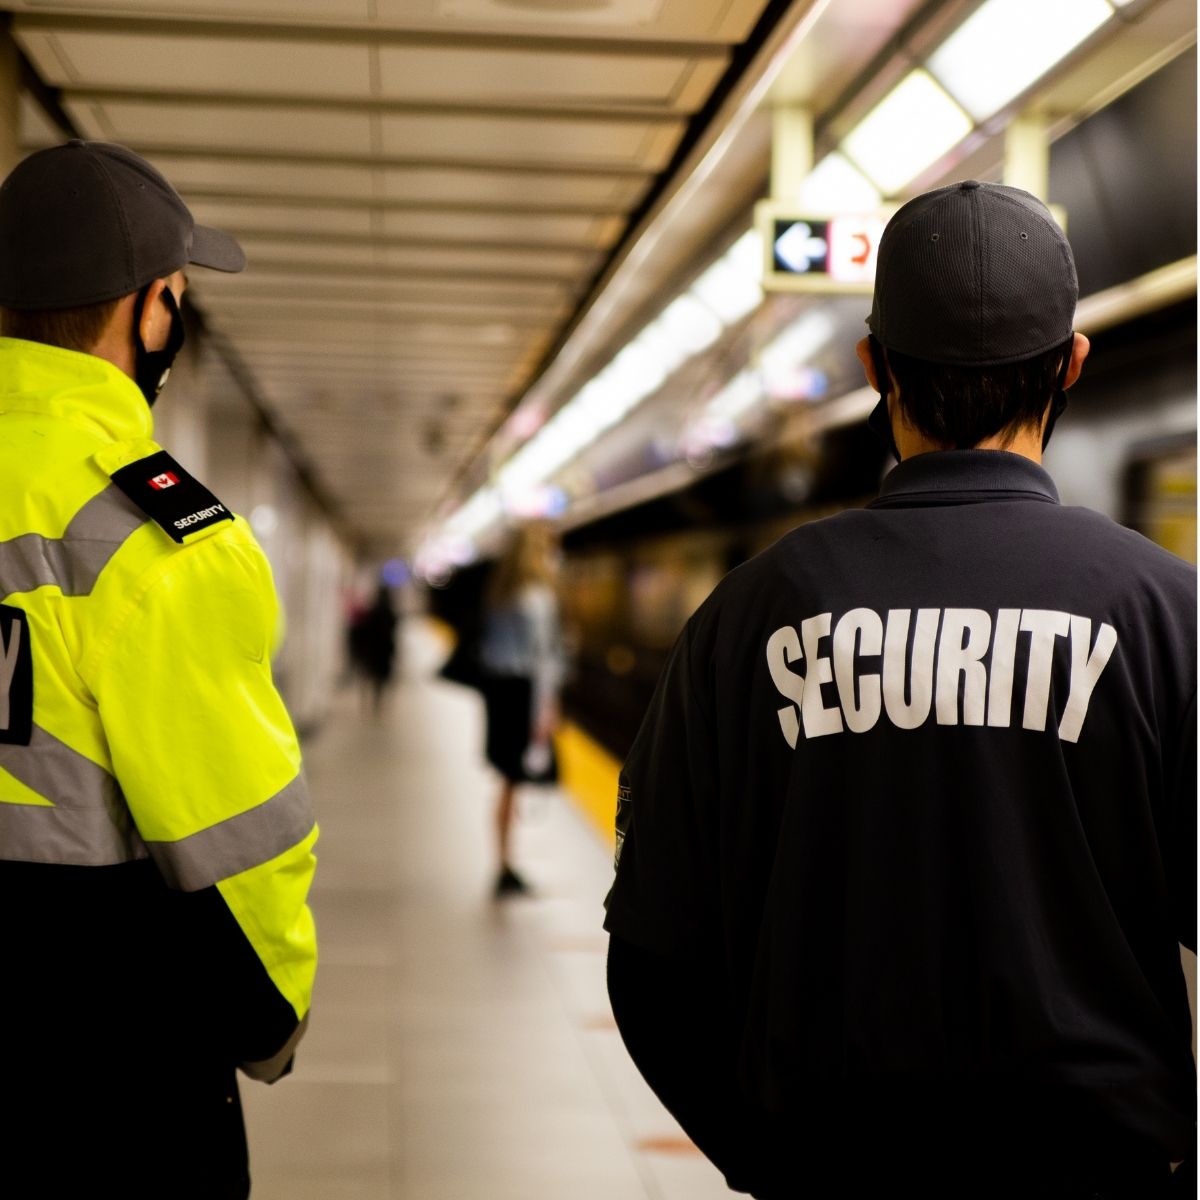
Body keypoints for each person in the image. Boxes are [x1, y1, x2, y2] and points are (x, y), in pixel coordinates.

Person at [603, 180, 1195, 1197]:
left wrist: (769, 1154)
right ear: (1072, 365)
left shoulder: (749, 617)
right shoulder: (1167, 613)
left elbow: (652, 960)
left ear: (875, 366)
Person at [0, 140, 318, 1199]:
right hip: (97, 1058)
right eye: (176, 296)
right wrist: (272, 1017)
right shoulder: (154, 533)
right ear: (149, 312)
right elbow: (235, 841)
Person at [479, 520, 566, 897]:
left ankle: (504, 862)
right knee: (513, 780)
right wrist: (545, 710)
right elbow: (543, 658)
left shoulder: (502, 592)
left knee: (508, 781)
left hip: (499, 694)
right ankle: (504, 868)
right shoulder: (537, 596)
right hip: (522, 694)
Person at [349, 582, 399, 713]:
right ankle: (377, 703)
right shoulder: (392, 613)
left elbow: (364, 630)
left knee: (367, 675)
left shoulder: (372, 611)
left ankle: (365, 702)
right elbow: (394, 632)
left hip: (372, 649)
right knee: (380, 678)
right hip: (385, 649)